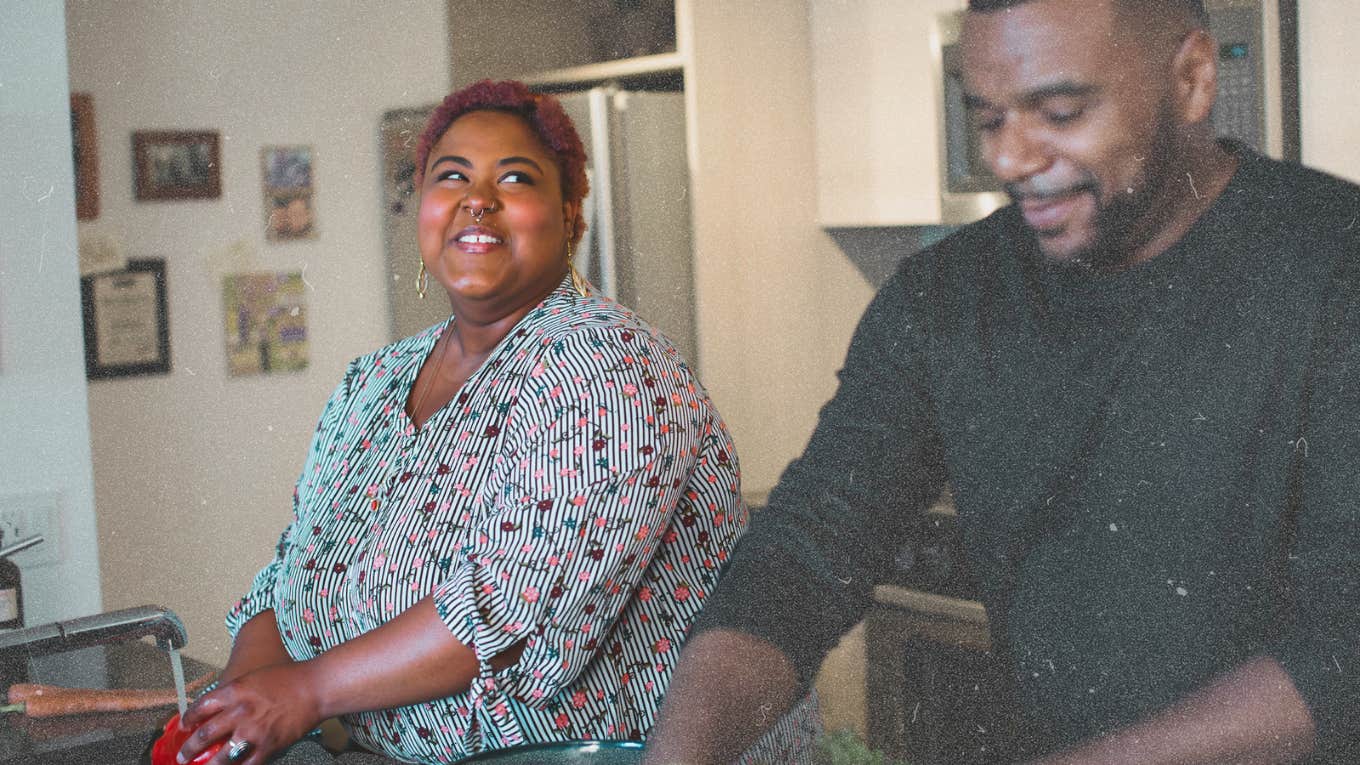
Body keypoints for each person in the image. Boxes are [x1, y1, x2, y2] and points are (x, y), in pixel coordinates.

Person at [644, 0, 1360, 763]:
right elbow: (805, 552)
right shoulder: (943, 300)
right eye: (989, 120)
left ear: (1190, 79)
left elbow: (1341, 652)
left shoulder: (1335, 266)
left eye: (1059, 110)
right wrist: (682, 752)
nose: (1012, 159)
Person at [174, 79, 748, 764]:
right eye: (452, 176)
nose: (478, 198)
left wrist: (303, 690)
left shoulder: (606, 363)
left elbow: (510, 611)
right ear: (424, 209)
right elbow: (294, 569)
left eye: (515, 177)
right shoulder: (374, 381)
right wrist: (241, 699)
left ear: (570, 215)